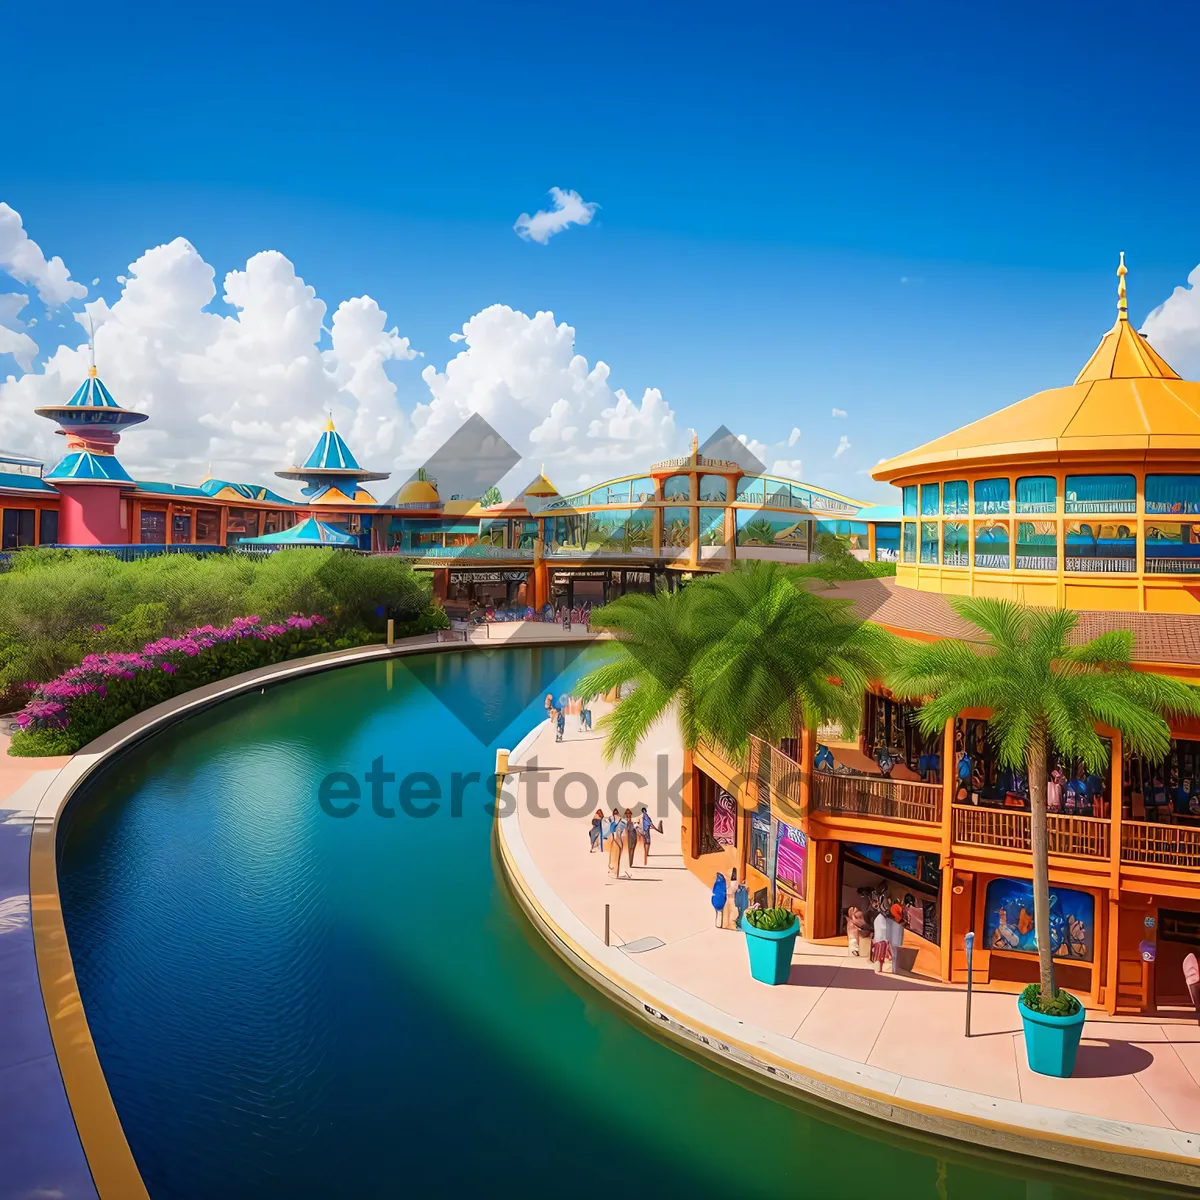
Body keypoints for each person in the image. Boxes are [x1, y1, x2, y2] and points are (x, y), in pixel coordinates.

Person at [607, 810, 626, 878]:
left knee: (614, 859)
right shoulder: (622, 822)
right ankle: (616, 874)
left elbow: (612, 835)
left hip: (615, 841)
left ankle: (615, 874)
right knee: (617, 859)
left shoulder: (612, 823)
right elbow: (623, 834)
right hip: (619, 842)